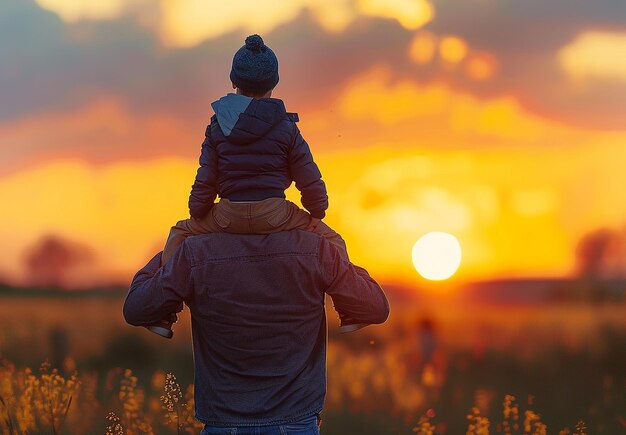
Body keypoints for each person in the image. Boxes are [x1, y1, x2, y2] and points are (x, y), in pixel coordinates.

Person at [148, 34, 352, 338]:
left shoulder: (217, 127)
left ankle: (164, 313)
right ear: (273, 84)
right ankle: (349, 309)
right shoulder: (287, 128)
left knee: (179, 233)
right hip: (275, 214)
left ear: (234, 82)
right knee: (334, 241)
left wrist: (199, 213)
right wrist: (316, 211)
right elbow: (309, 178)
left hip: (227, 215)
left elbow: (206, 178)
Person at [123, 229, 390, 434]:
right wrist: (338, 256)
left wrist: (168, 258)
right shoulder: (314, 248)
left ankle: (166, 317)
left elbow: (136, 309)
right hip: (295, 422)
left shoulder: (194, 252)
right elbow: (375, 308)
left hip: (223, 422)